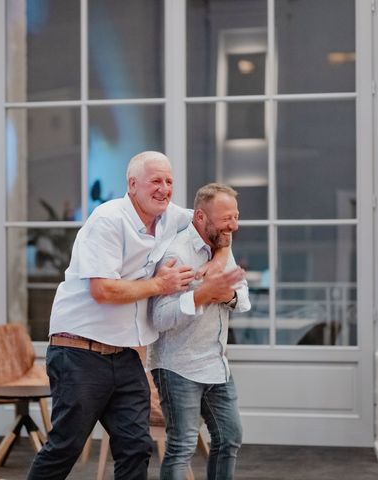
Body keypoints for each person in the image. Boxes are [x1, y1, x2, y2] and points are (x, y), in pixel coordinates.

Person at [27, 152, 228, 480]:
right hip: (79, 351)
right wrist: (160, 284)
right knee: (66, 446)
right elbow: (102, 291)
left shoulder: (169, 217)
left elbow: (219, 222)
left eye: (169, 181)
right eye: (156, 181)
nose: (164, 189)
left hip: (124, 356)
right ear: (132, 185)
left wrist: (218, 260)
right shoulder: (108, 219)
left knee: (136, 446)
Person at [148, 183, 250, 480]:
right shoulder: (176, 254)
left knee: (229, 437)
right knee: (182, 446)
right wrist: (202, 294)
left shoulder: (221, 247)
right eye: (226, 219)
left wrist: (225, 296)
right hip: (177, 366)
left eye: (236, 216)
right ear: (201, 217)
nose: (234, 225)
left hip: (217, 364)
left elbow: (242, 299)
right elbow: (159, 317)